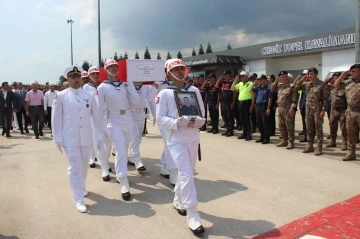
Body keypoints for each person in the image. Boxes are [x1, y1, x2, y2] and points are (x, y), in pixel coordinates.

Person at [156, 58, 206, 234]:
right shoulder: (164, 93)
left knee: (188, 173)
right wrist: (176, 122)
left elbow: (202, 113)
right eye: (175, 69)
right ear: (168, 73)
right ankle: (192, 214)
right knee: (185, 174)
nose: (179, 71)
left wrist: (198, 121)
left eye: (181, 68)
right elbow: (160, 118)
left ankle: (178, 200)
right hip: (175, 139)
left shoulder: (194, 91)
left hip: (192, 137)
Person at [52, 65, 105, 213]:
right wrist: (57, 138)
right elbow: (56, 119)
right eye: (72, 77)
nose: (76, 79)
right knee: (75, 168)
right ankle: (78, 199)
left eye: (78, 76)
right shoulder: (61, 96)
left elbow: (97, 116)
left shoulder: (88, 95)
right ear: (67, 79)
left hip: (86, 137)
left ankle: (81, 186)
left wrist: (100, 133)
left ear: (81, 78)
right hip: (70, 138)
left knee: (84, 167)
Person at [97, 59, 139, 200]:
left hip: (128, 118)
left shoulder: (125, 84)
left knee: (125, 149)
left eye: (115, 66)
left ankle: (121, 173)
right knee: (120, 149)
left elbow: (136, 102)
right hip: (113, 120)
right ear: (106, 70)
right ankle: (123, 180)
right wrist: (100, 128)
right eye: (110, 67)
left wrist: (131, 86)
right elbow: (98, 108)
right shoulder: (102, 87)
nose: (114, 68)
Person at [83, 66, 113, 181]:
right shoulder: (86, 87)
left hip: (106, 116)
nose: (95, 75)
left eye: (97, 73)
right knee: (97, 140)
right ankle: (103, 166)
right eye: (93, 74)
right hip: (93, 117)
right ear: (89, 76)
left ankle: (104, 159)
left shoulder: (104, 85)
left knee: (109, 140)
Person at [295, 68, 329, 156]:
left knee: (318, 129)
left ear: (316, 74)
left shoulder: (322, 84)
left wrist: (324, 110)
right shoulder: (307, 84)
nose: (309, 75)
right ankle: (310, 145)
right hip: (308, 109)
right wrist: (302, 78)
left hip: (318, 109)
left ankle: (319, 147)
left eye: (311, 73)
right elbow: (295, 87)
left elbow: (326, 99)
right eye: (309, 74)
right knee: (309, 128)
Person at [128, 83, 158, 171]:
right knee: (134, 137)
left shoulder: (146, 86)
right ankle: (137, 160)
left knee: (139, 137)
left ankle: (131, 156)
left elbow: (150, 99)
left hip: (141, 113)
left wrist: (154, 114)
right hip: (130, 113)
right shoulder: (128, 84)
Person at [334, 64, 360, 161]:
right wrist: (342, 76)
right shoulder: (348, 82)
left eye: (354, 71)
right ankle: (351, 153)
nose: (352, 73)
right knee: (350, 134)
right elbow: (336, 85)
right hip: (350, 111)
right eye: (351, 71)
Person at [271, 71, 299, 150]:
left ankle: (291, 142)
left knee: (289, 126)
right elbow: (272, 90)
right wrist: (275, 82)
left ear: (286, 77)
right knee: (281, 125)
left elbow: (295, 98)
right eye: (279, 77)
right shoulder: (280, 86)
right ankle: (284, 140)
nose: (280, 79)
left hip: (288, 109)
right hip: (280, 108)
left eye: (282, 77)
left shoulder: (291, 86)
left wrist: (292, 108)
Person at [325, 72, 347, 150]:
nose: (335, 79)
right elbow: (323, 85)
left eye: (336, 78)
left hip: (343, 109)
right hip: (333, 109)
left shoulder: (345, 86)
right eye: (334, 78)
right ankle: (332, 141)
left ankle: (344, 143)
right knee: (332, 126)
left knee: (343, 127)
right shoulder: (331, 87)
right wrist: (329, 79)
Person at [232, 71, 253, 140]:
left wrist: (252, 105)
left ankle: (249, 134)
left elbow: (253, 95)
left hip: (247, 102)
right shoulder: (240, 84)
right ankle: (244, 133)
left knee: (247, 119)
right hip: (240, 103)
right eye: (241, 76)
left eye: (243, 76)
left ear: (247, 76)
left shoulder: (250, 83)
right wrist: (235, 81)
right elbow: (232, 88)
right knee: (242, 119)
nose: (242, 77)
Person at [252, 75, 273, 144]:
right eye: (258, 80)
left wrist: (268, 108)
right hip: (258, 105)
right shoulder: (258, 87)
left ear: (264, 80)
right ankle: (262, 136)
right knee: (259, 122)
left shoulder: (268, 88)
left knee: (265, 123)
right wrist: (254, 84)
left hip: (264, 105)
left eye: (260, 79)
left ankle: (267, 138)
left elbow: (270, 98)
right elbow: (250, 90)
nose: (258, 81)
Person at [216, 71, 234, 137]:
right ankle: (227, 129)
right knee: (224, 116)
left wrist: (233, 102)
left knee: (230, 116)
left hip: (229, 101)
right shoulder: (223, 82)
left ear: (229, 75)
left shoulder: (231, 82)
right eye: (224, 75)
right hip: (223, 101)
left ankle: (231, 131)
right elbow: (216, 86)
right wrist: (220, 78)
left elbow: (234, 93)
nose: (224, 76)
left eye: (226, 75)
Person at [298, 70, 308, 142]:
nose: (304, 76)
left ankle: (309, 136)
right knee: (304, 121)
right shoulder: (304, 84)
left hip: (310, 106)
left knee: (309, 122)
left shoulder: (311, 83)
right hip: (302, 104)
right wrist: (301, 80)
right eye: (303, 75)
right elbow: (296, 86)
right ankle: (305, 133)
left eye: (305, 75)